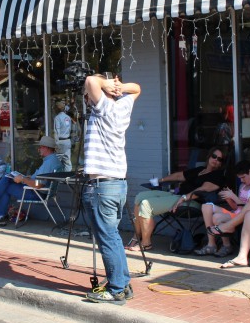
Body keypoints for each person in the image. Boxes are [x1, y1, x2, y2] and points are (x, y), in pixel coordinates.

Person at [81, 73, 141, 305]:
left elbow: (89, 81)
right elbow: (136, 89)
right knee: (113, 237)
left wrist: (107, 85)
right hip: (117, 184)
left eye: (88, 96)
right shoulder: (122, 107)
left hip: (102, 185)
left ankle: (116, 289)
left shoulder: (105, 108)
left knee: (108, 239)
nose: (87, 98)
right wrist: (120, 86)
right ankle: (122, 283)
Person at [126, 146, 230, 253]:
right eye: (214, 156)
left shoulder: (218, 176)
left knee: (145, 205)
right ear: (209, 156)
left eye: (220, 159)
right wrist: (160, 181)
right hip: (178, 197)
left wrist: (183, 198)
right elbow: (179, 176)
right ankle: (137, 236)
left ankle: (146, 243)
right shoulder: (200, 170)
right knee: (139, 197)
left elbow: (203, 189)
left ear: (222, 163)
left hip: (191, 203)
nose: (216, 160)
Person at [0, 136, 63, 226]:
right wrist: (26, 177)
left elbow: (39, 184)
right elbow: (42, 180)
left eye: (40, 147)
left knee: (5, 184)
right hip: (45, 192)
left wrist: (23, 179)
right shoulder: (54, 160)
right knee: (7, 180)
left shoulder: (49, 163)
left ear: (46, 148)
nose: (39, 149)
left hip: (37, 193)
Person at [200, 160, 250, 257]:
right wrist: (228, 198)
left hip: (247, 216)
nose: (241, 180)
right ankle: (211, 244)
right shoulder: (243, 185)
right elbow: (236, 207)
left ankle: (226, 246)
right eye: (240, 178)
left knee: (217, 217)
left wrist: (233, 196)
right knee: (206, 206)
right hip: (237, 213)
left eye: (243, 177)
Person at [53, 100, 74, 171]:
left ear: (57, 108)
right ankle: (68, 177)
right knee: (67, 162)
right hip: (67, 141)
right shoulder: (68, 117)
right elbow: (70, 129)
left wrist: (55, 144)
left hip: (60, 142)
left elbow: (57, 131)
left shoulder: (57, 118)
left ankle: (56, 179)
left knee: (56, 162)